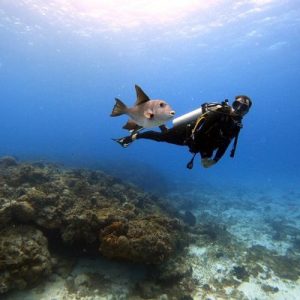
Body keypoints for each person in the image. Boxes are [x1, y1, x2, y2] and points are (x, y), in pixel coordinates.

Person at [113, 95, 252, 169]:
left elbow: (226, 143)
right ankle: (134, 136)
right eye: (236, 105)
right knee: (161, 137)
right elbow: (200, 133)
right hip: (186, 134)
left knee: (166, 134)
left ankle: (159, 122)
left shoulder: (236, 126)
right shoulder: (219, 114)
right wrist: (205, 156)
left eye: (243, 108)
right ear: (232, 105)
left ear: (246, 112)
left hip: (197, 144)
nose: (238, 109)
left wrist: (215, 160)